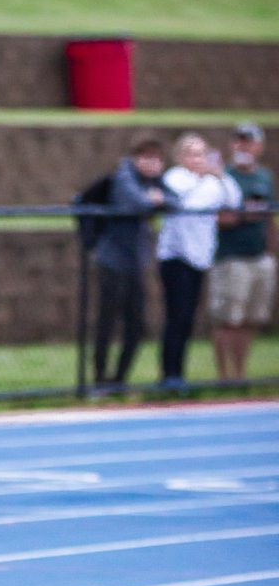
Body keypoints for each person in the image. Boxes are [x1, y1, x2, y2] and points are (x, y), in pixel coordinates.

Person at [156, 132, 241, 390]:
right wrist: (204, 179)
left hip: (200, 256)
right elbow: (184, 203)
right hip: (176, 256)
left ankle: (179, 374)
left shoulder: (214, 181)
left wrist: (220, 175)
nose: (199, 159)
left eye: (202, 153)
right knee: (177, 316)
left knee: (188, 318)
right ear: (181, 156)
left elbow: (233, 200)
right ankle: (170, 374)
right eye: (193, 154)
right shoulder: (175, 178)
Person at [91, 134, 176, 394]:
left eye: (157, 160)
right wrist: (153, 200)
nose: (152, 165)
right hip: (111, 260)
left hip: (136, 263)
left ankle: (119, 380)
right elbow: (137, 202)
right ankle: (99, 380)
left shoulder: (156, 182)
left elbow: (176, 201)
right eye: (146, 158)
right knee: (106, 322)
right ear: (136, 158)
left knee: (137, 324)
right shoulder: (123, 176)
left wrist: (157, 199)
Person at [208, 124, 276, 381]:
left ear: (259, 146)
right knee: (227, 318)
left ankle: (240, 374)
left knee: (250, 318)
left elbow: (268, 216)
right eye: (239, 141)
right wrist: (241, 215)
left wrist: (271, 248)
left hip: (258, 256)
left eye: (249, 142)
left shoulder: (264, 177)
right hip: (230, 256)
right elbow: (213, 216)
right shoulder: (221, 176)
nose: (243, 147)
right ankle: (223, 376)